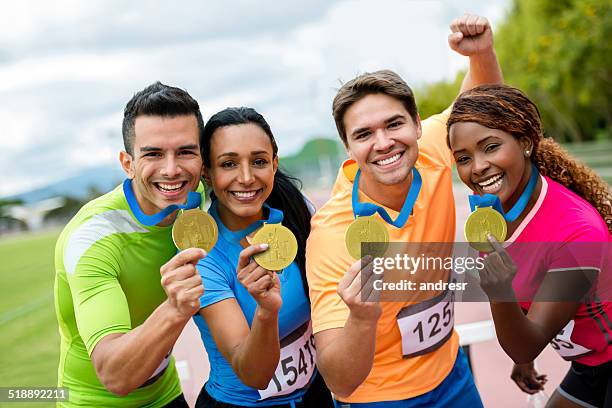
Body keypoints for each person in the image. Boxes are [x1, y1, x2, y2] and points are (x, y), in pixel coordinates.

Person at [306, 14, 504, 407]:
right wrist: (362, 317)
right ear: (348, 148)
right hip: (380, 399)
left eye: (393, 124)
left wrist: (482, 54)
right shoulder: (332, 235)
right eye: (363, 134)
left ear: (417, 125)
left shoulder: (430, 148)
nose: (383, 143)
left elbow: (484, 104)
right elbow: (339, 380)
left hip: (452, 375)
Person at [447, 84, 612, 408]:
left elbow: (526, 342)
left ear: (524, 142)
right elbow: (528, 303)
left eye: (490, 147)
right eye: (463, 158)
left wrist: (500, 294)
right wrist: (523, 350)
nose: (477, 166)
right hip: (590, 364)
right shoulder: (494, 214)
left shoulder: (578, 233)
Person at [54, 82, 207, 407]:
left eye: (185, 152)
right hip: (96, 401)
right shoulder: (92, 238)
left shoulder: (197, 199)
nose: (171, 169)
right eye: (153, 153)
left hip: (167, 394)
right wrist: (175, 309)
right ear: (128, 163)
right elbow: (115, 375)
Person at [193, 107, 333, 407]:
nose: (246, 177)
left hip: (314, 393)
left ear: (274, 164)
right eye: (228, 164)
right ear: (207, 172)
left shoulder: (299, 212)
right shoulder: (202, 255)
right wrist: (266, 312)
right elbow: (254, 375)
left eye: (258, 162)